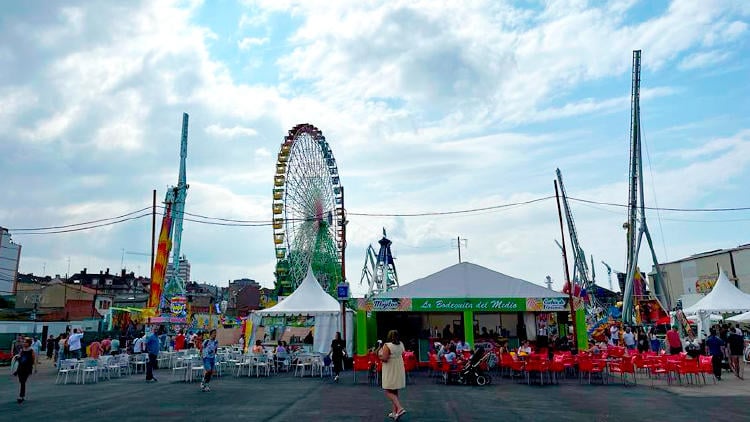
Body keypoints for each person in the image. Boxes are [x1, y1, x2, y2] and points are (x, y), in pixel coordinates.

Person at [379, 330, 406, 420]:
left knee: (387, 391)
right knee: (395, 391)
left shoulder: (387, 345)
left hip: (390, 369)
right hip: (398, 368)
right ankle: (395, 413)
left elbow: (385, 358)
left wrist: (379, 356)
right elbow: (403, 353)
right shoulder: (401, 344)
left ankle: (399, 408)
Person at [13, 337, 37, 404]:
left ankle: (21, 396)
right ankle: (22, 396)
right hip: (20, 368)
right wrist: (17, 358)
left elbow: (34, 360)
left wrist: (35, 368)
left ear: (29, 343)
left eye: (25, 342)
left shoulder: (31, 350)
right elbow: (19, 357)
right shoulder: (22, 350)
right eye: (23, 342)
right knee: (21, 381)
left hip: (27, 368)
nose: (24, 343)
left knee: (23, 381)